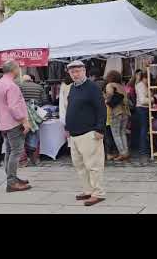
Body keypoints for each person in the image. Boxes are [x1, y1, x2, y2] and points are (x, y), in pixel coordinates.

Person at [65, 60, 107, 206]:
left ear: (84, 71)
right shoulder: (72, 88)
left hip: (90, 132)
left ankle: (98, 192)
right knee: (80, 165)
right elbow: (71, 107)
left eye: (77, 71)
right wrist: (67, 128)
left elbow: (101, 108)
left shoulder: (92, 87)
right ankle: (88, 190)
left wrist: (100, 128)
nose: (75, 74)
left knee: (93, 165)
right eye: (72, 72)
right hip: (74, 134)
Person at [0, 61, 31, 192]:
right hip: (13, 123)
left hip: (4, 123)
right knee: (16, 151)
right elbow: (13, 107)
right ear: (14, 69)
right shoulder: (11, 86)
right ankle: (11, 181)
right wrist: (24, 121)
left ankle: (12, 178)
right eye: (18, 68)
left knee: (10, 151)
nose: (19, 70)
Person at [19, 74, 46, 165]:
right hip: (35, 114)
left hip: (22, 114)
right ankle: (35, 159)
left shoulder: (20, 86)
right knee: (35, 135)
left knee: (22, 137)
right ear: (31, 79)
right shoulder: (39, 87)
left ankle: (23, 161)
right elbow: (44, 100)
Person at [105, 70, 130, 162]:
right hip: (125, 112)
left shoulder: (110, 85)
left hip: (115, 112)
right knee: (122, 133)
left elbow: (110, 94)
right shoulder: (122, 86)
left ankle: (122, 153)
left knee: (116, 134)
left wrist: (106, 100)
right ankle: (126, 152)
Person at [135, 72, 151, 165]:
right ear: (144, 78)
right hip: (142, 109)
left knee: (143, 130)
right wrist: (152, 99)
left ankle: (144, 151)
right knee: (144, 131)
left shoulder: (140, 85)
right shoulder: (141, 85)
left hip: (142, 109)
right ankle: (143, 152)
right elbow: (142, 100)